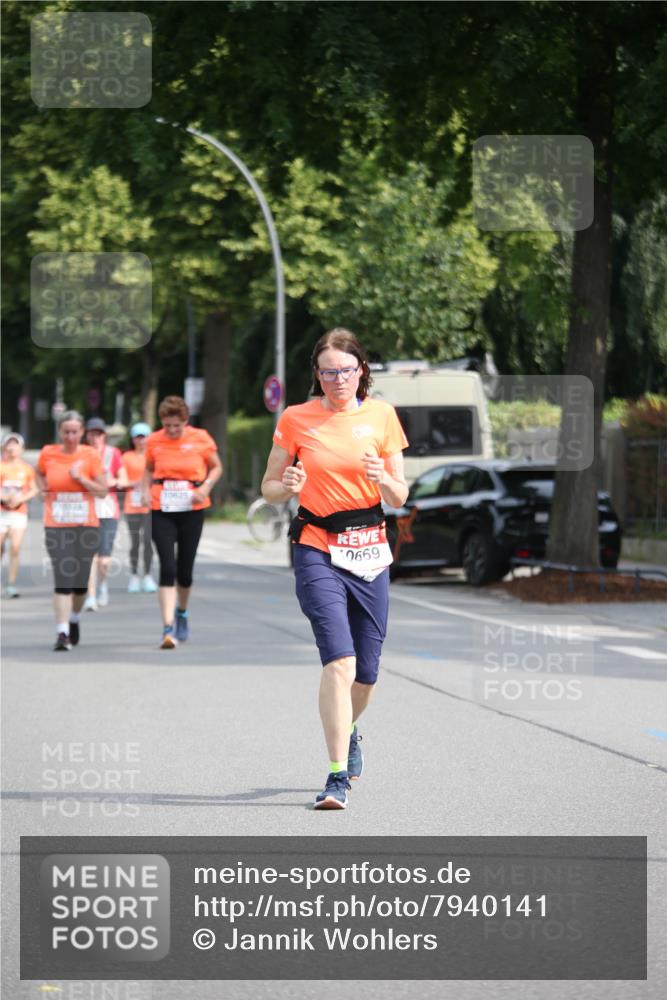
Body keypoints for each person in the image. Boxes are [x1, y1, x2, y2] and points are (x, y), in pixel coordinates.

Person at [261, 328, 409, 809]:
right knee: (339, 662)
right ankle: (336, 776)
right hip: (316, 545)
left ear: (361, 370)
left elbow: (400, 496)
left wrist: (381, 476)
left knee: (367, 672)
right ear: (317, 375)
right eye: (328, 372)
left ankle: (351, 730)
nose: (338, 379)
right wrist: (288, 483)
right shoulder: (296, 418)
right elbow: (269, 487)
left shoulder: (382, 416)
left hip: (369, 547)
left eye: (346, 370)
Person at [142, 395, 223, 649]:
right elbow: (147, 469)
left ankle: (182, 612)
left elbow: (216, 467)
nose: (172, 430)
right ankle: (167, 628)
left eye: (177, 425)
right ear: (161, 422)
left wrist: (206, 487)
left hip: (192, 506)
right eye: (167, 425)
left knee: (185, 571)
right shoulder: (154, 440)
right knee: (167, 566)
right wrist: (144, 491)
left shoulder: (200, 438)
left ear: (185, 421)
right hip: (162, 507)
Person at [35, 411, 108, 651]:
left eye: (75, 432)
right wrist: (42, 489)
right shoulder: (49, 453)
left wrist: (81, 479)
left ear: (82, 433)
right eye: (66, 432)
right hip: (56, 525)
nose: (70, 436)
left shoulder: (90, 455)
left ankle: (74, 618)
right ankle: (62, 632)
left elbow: (103, 491)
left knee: (80, 585)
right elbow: (38, 473)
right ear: (60, 432)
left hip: (85, 526)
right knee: (63, 578)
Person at [83, 417, 122, 611]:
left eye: (99, 433)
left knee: (103, 559)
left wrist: (110, 482)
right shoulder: (82, 454)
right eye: (92, 433)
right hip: (87, 509)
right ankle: (90, 597)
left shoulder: (113, 454)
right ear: (87, 435)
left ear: (104, 435)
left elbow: (124, 478)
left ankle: (103, 585)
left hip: (108, 509)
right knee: (89, 556)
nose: (95, 437)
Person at [117, 422, 157, 594]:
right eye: (138, 437)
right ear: (133, 439)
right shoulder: (126, 457)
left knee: (148, 541)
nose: (141, 441)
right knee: (134, 543)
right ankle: (134, 575)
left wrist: (149, 483)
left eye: (144, 437)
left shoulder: (154, 456)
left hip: (150, 504)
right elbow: (122, 482)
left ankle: (147, 575)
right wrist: (136, 483)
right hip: (132, 505)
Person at [0, 432, 38, 597]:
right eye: (9, 444)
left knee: (15, 548)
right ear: (4, 447)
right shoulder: (1, 466)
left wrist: (21, 498)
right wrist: (4, 497)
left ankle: (11, 585)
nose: (12, 448)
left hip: (19, 512)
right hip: (2, 512)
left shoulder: (26, 469)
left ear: (21, 448)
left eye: (15, 445)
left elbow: (34, 489)